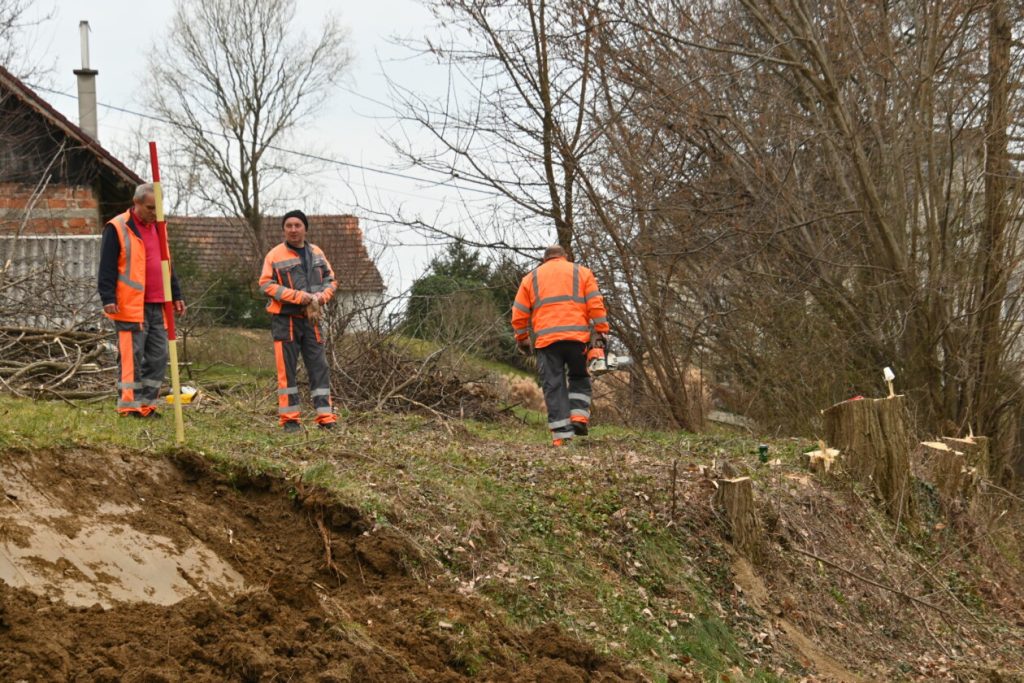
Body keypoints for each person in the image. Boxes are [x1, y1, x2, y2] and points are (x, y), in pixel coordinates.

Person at [97, 183, 186, 417]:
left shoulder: (160, 228)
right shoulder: (117, 227)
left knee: (158, 357)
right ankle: (129, 406)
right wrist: (107, 297)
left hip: (159, 305)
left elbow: (167, 265)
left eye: (159, 208)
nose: (155, 213)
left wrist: (176, 295)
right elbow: (106, 266)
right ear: (136, 203)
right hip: (130, 305)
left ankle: (147, 406)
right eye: (150, 208)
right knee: (131, 358)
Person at [511, 245, 609, 446]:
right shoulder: (582, 272)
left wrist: (522, 338)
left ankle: (562, 437)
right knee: (580, 376)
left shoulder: (530, 278)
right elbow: (595, 304)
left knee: (553, 385)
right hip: (577, 339)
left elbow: (519, 312)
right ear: (565, 256)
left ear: (544, 259)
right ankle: (579, 417)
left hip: (547, 342)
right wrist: (601, 330)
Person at [258, 210, 338, 432]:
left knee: (320, 368)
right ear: (284, 230)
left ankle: (326, 418)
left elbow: (331, 280)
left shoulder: (317, 253)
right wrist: (299, 297)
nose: (293, 229)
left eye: (297, 225)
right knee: (287, 372)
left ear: (305, 228)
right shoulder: (274, 255)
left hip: (312, 319)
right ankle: (290, 420)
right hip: (286, 320)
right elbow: (265, 285)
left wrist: (320, 298)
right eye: (289, 226)